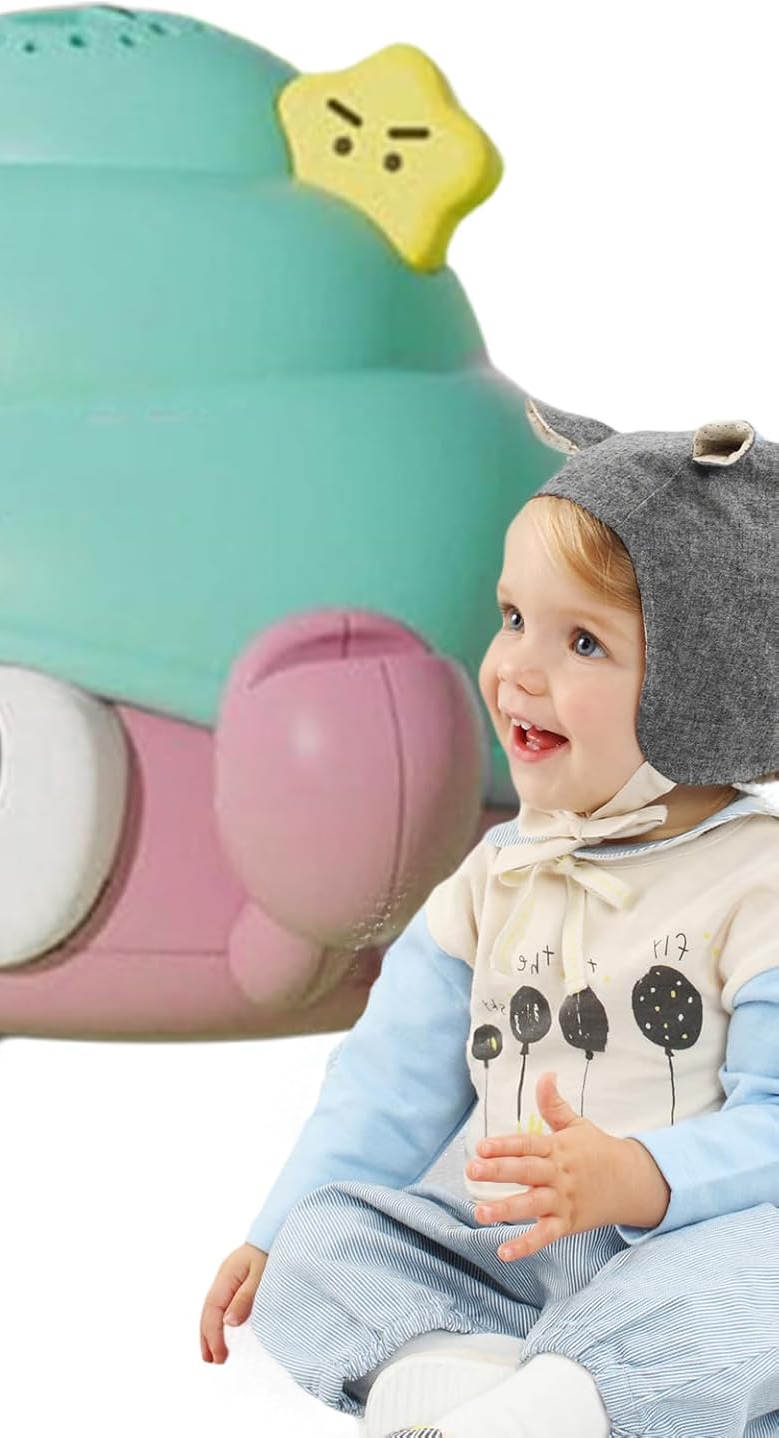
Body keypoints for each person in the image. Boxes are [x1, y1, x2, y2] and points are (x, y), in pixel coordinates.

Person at [198, 401, 779, 1438]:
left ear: (706, 689)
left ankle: (566, 1402)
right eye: (512, 618)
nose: (516, 668)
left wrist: (637, 1177)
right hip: (510, 1259)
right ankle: (453, 1384)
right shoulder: (498, 874)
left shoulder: (757, 880)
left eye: (583, 641)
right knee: (323, 1242)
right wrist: (277, 1229)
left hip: (686, 1249)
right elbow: (388, 1083)